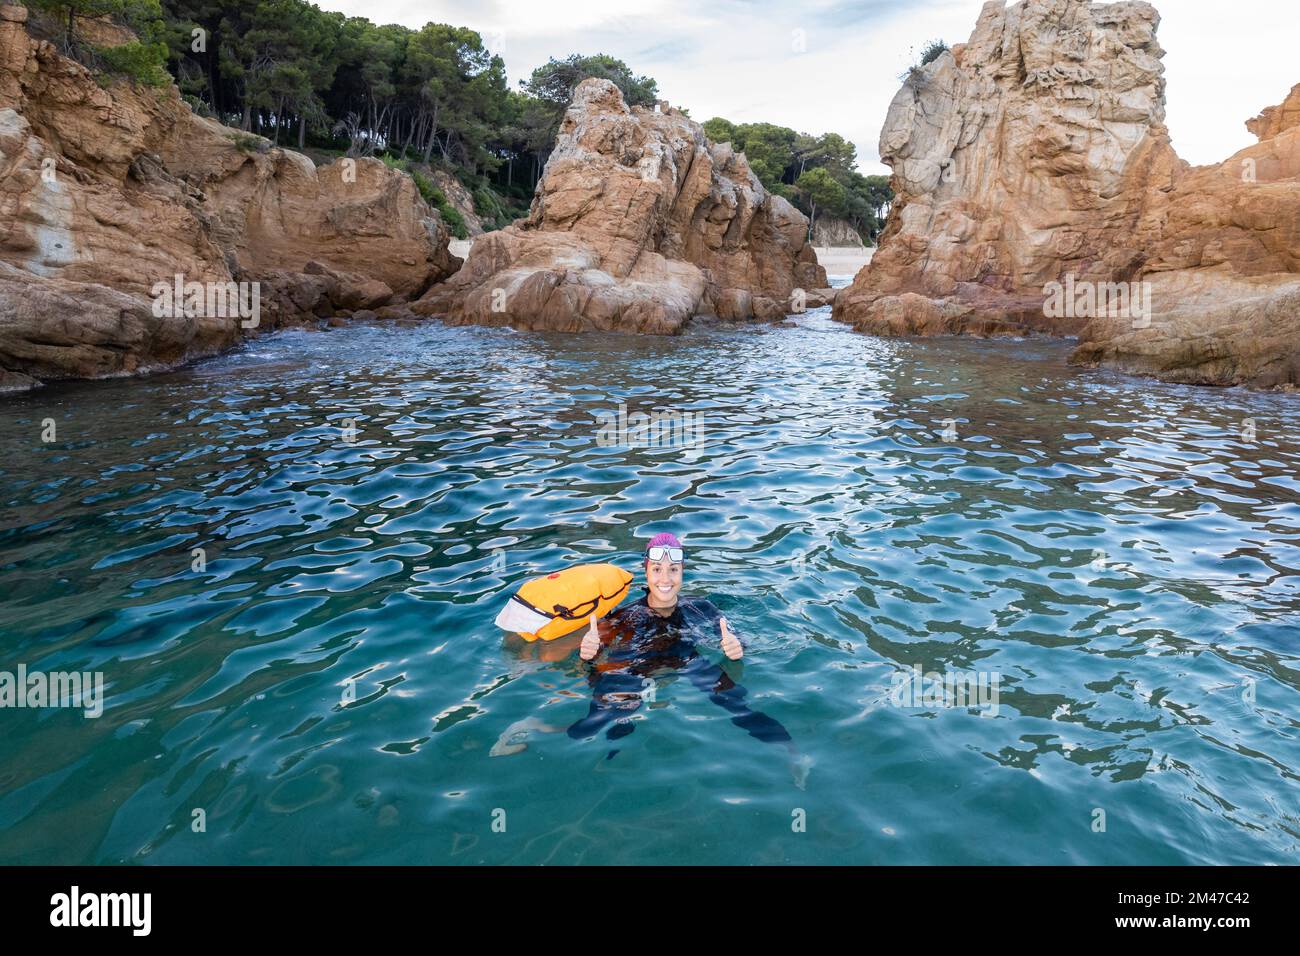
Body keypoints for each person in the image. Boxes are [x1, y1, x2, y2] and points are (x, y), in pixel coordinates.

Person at [568, 533, 798, 763]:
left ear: (682, 572)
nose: (665, 579)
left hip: (687, 659)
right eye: (657, 569)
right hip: (639, 665)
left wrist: (737, 648)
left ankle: (792, 753)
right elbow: (590, 664)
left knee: (737, 705)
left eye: (673, 570)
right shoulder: (622, 617)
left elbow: (734, 637)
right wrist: (587, 655)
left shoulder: (702, 608)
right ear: (646, 572)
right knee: (592, 723)